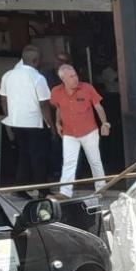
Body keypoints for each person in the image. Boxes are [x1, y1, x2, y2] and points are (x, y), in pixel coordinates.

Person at [0, 44, 54, 195]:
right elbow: (44, 104)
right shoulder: (37, 77)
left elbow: (3, 99)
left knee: (23, 154)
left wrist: (10, 115)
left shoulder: (7, 75)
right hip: (34, 122)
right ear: (36, 60)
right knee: (38, 156)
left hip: (16, 121)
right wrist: (51, 125)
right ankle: (43, 190)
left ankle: (20, 188)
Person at [49, 64, 109, 198]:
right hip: (69, 132)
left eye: (75, 75)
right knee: (69, 162)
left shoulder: (87, 88)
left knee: (94, 160)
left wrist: (105, 123)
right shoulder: (56, 91)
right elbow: (58, 108)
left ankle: (100, 189)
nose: (75, 78)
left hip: (89, 131)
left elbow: (98, 107)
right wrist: (58, 123)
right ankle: (65, 192)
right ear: (63, 79)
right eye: (71, 76)